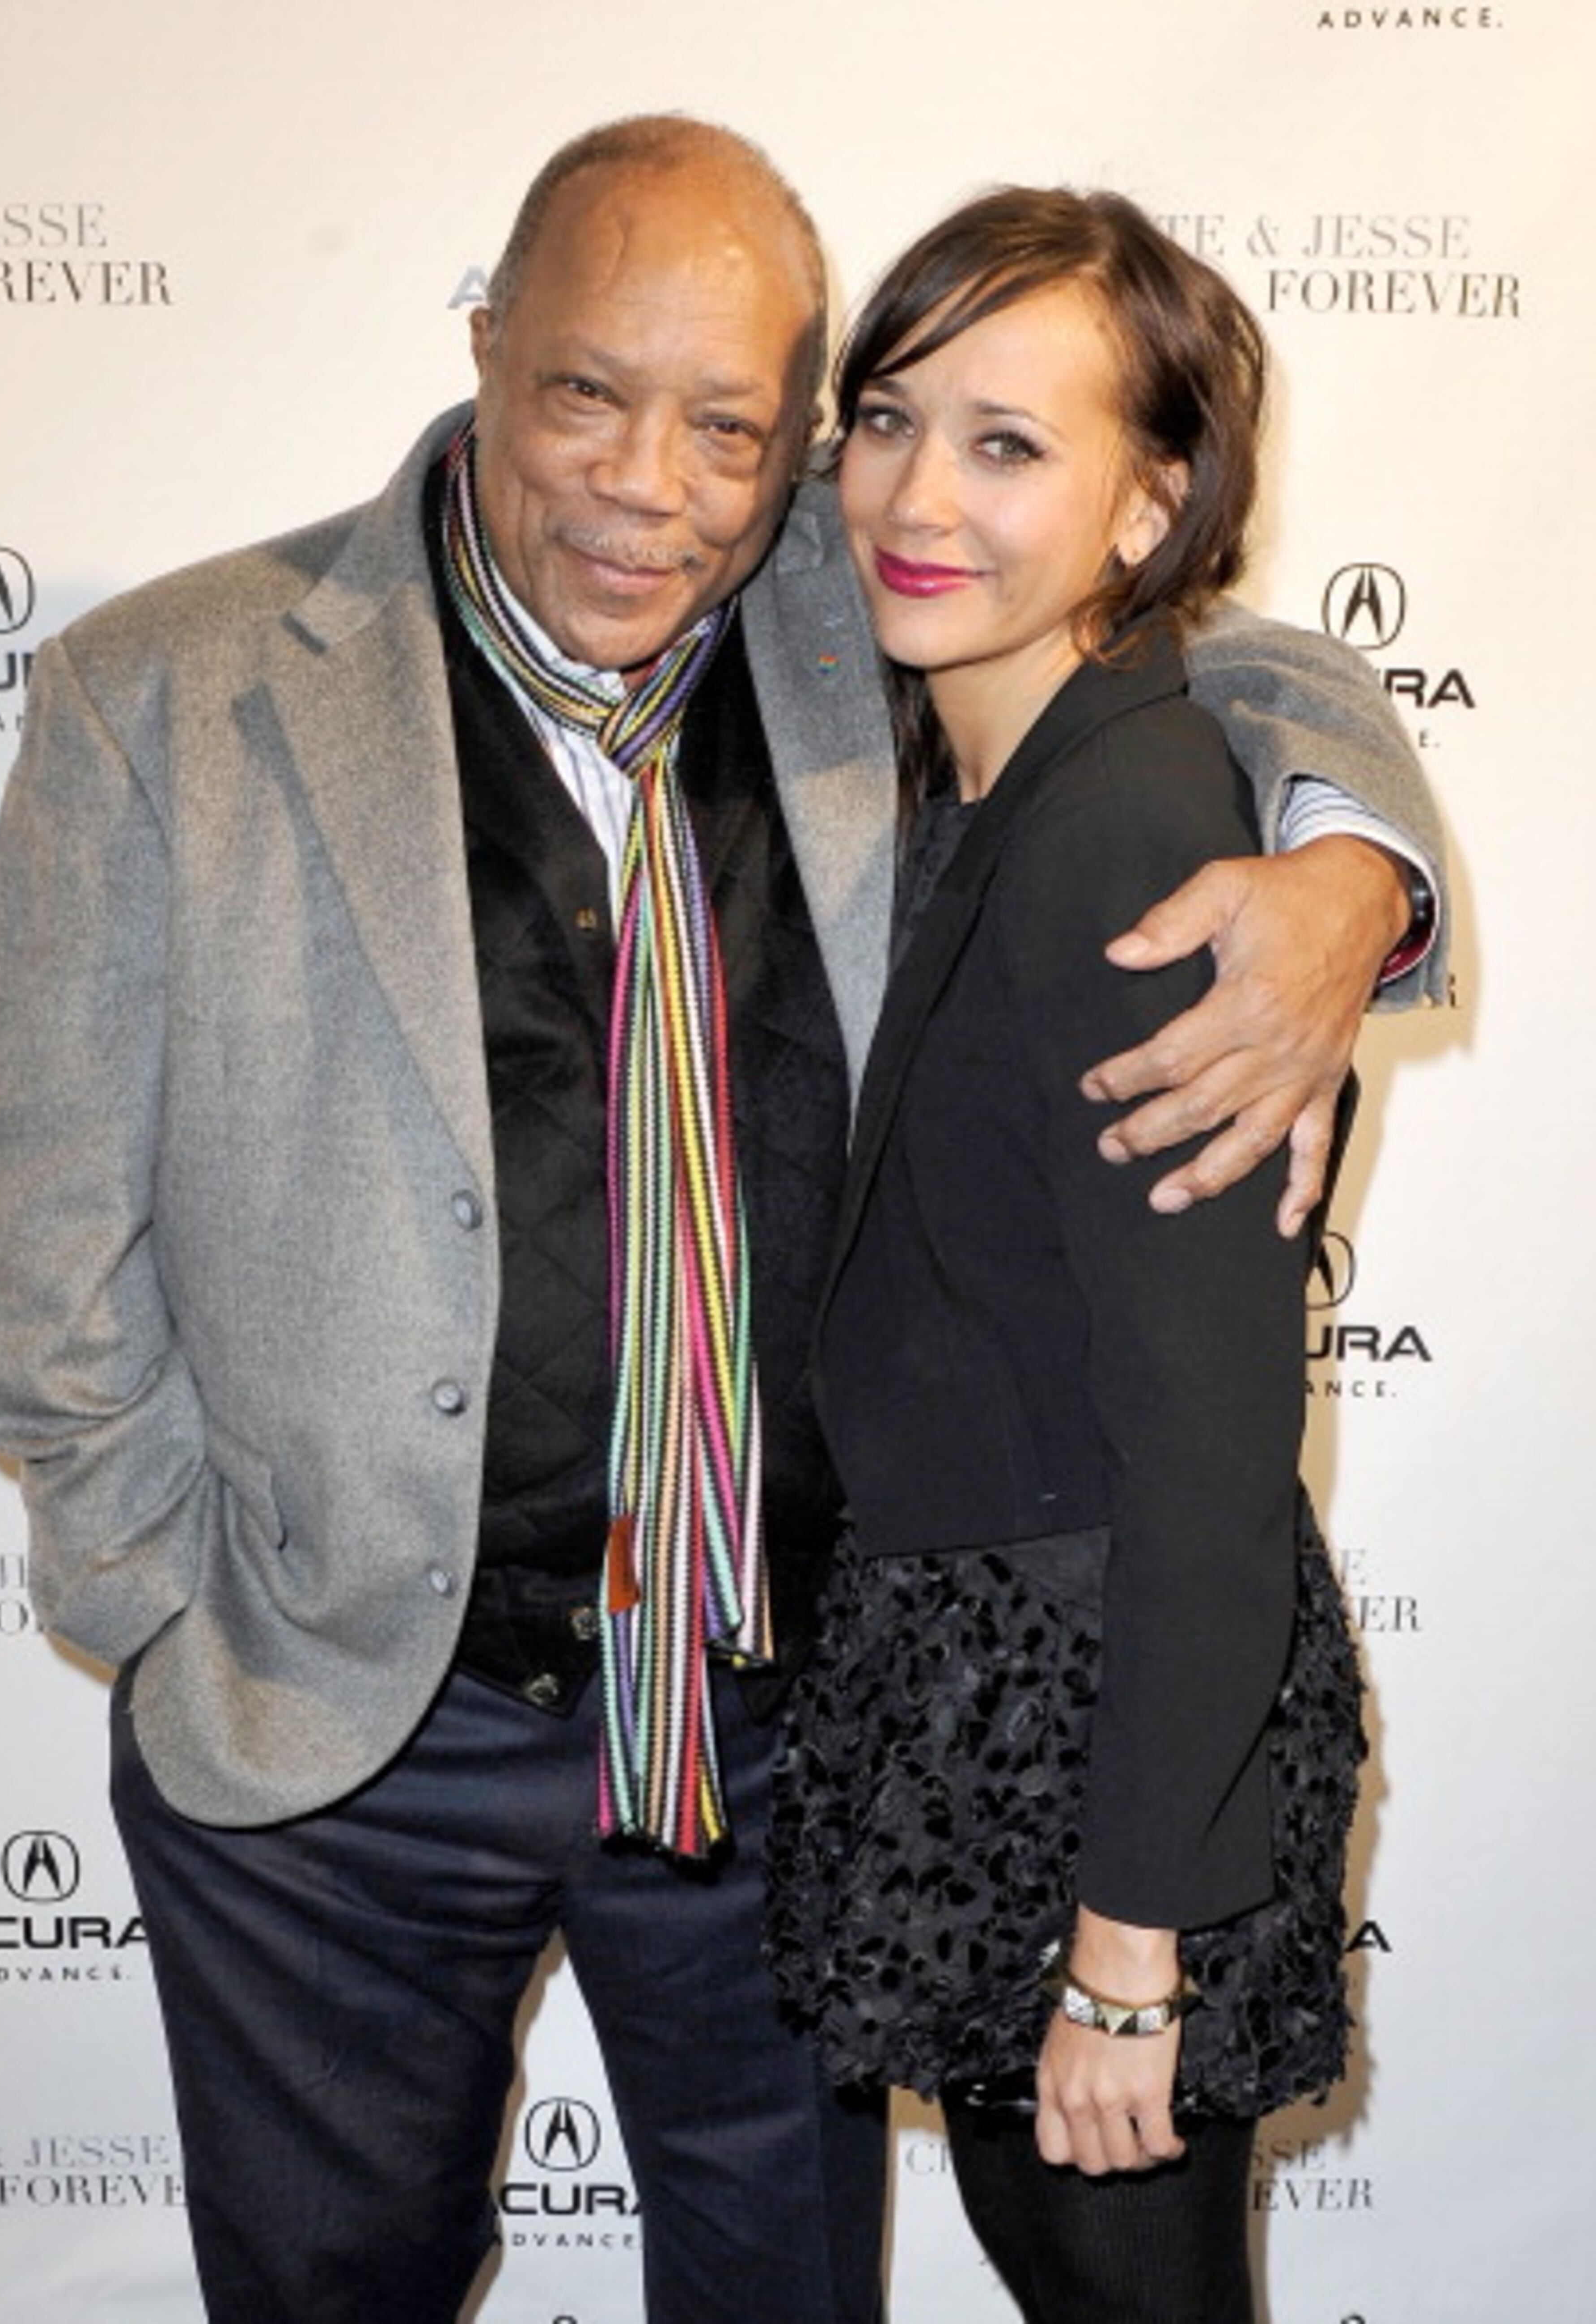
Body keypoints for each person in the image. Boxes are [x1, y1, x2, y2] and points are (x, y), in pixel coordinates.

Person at [0, 118, 1443, 2324]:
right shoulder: (167, 691)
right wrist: (171, 1610)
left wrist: (1355, 880)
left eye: (732, 424)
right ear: (484, 349)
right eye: (583, 393)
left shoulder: (865, 610)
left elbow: (1226, 650)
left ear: (794, 438)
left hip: (772, 1729)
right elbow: (43, 1237)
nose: (650, 483)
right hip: (338, 1742)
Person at [765, 187, 1391, 2322]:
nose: (920, 496)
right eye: (890, 418)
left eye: (1012, 444)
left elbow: (1217, 1450)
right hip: (982, 1696)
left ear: (1149, 510)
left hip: (1106, 1726)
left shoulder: (1134, 836)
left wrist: (1131, 1950)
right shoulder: (971, 769)